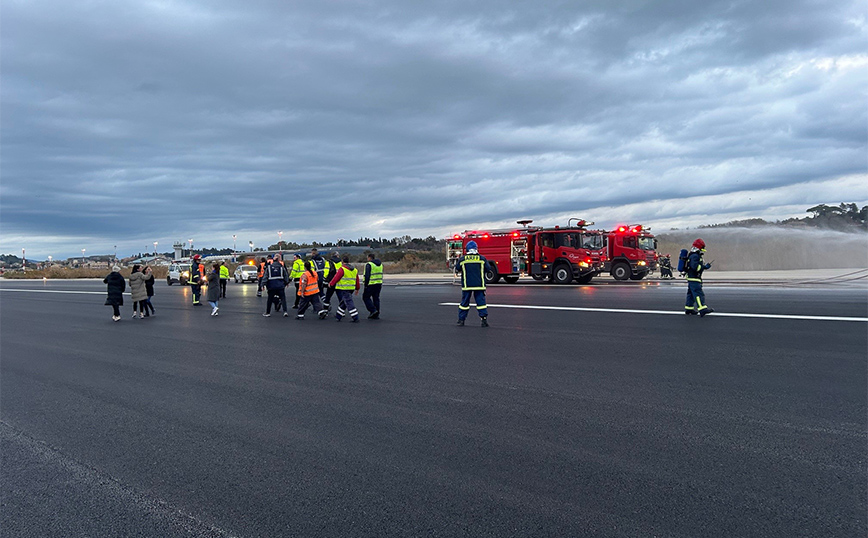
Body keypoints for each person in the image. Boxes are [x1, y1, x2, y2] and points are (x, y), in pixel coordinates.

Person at [454, 240, 490, 327]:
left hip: (467, 285)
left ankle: (461, 320)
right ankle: (484, 320)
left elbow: (457, 268)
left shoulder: (462, 259)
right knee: (481, 303)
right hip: (479, 285)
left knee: (464, 303)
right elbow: (488, 269)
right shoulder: (482, 259)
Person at [685, 239, 714, 317]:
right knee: (698, 294)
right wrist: (704, 267)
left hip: (692, 278)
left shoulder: (693, 254)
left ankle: (689, 308)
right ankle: (702, 309)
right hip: (694, 278)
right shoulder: (695, 255)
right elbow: (695, 267)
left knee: (690, 294)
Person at [329, 255, 360, 322]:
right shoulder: (354, 270)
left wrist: (331, 284)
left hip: (344, 288)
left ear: (342, 261)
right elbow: (357, 280)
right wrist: (357, 288)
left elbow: (336, 278)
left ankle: (355, 317)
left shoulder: (342, 269)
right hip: (351, 288)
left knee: (349, 302)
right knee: (343, 303)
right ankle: (338, 316)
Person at [362, 253, 383, 319]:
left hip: (371, 284)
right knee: (376, 298)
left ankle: (373, 310)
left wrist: (366, 284)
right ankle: (376, 313)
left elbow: (367, 275)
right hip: (379, 283)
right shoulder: (380, 265)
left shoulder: (369, 265)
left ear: (369, 258)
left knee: (365, 297)